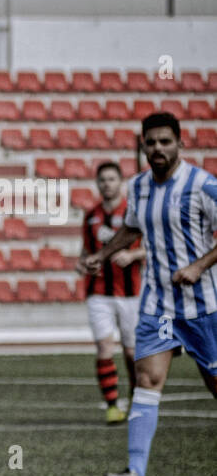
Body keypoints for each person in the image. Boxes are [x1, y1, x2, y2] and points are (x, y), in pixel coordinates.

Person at [80, 113, 217, 476]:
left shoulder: (202, 185)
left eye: (164, 142)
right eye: (150, 142)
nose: (157, 149)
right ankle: (136, 473)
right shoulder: (138, 186)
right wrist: (103, 255)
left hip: (203, 307)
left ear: (179, 143)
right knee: (147, 381)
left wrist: (198, 265)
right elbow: (133, 228)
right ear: (142, 145)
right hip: (157, 305)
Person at [76, 161, 145, 424]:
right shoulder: (91, 215)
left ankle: (136, 397)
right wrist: (81, 263)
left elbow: (153, 247)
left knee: (131, 352)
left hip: (131, 293)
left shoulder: (133, 212)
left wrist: (133, 254)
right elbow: (85, 250)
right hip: (99, 293)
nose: (107, 184)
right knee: (105, 346)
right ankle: (112, 406)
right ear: (97, 184)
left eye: (112, 179)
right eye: (102, 180)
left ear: (121, 182)